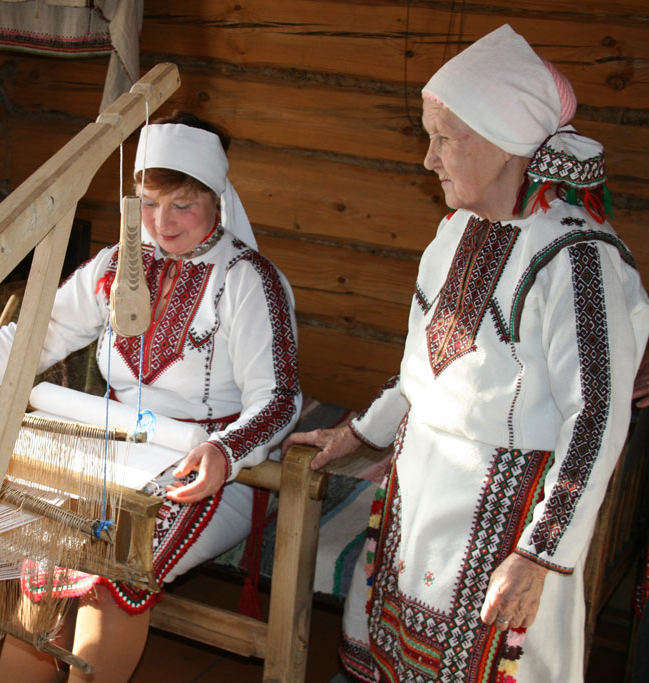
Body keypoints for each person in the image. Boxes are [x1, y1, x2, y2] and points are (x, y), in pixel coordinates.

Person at [282, 25, 649, 682]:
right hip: (421, 501)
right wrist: (357, 433)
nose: (429, 158)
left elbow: (596, 413)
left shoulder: (577, 258)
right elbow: (425, 368)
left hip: (505, 526)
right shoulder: (455, 230)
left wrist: (539, 553)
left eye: (445, 137)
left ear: (507, 142)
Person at [0, 111, 302, 682]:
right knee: (43, 559)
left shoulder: (248, 280)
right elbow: (31, 339)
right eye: (147, 202)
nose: (162, 223)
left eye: (183, 205)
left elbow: (281, 399)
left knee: (114, 572)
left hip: (211, 470)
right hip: (115, 453)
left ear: (217, 198)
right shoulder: (118, 266)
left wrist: (223, 453)